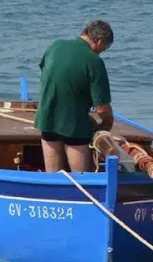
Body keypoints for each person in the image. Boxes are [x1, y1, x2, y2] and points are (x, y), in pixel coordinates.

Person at [34, 20, 114, 173]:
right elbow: (102, 109)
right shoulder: (94, 61)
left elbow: (47, 74)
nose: (104, 50)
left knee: (53, 176)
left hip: (47, 119)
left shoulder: (55, 46)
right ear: (100, 41)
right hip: (75, 126)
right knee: (82, 179)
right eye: (106, 46)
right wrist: (106, 124)